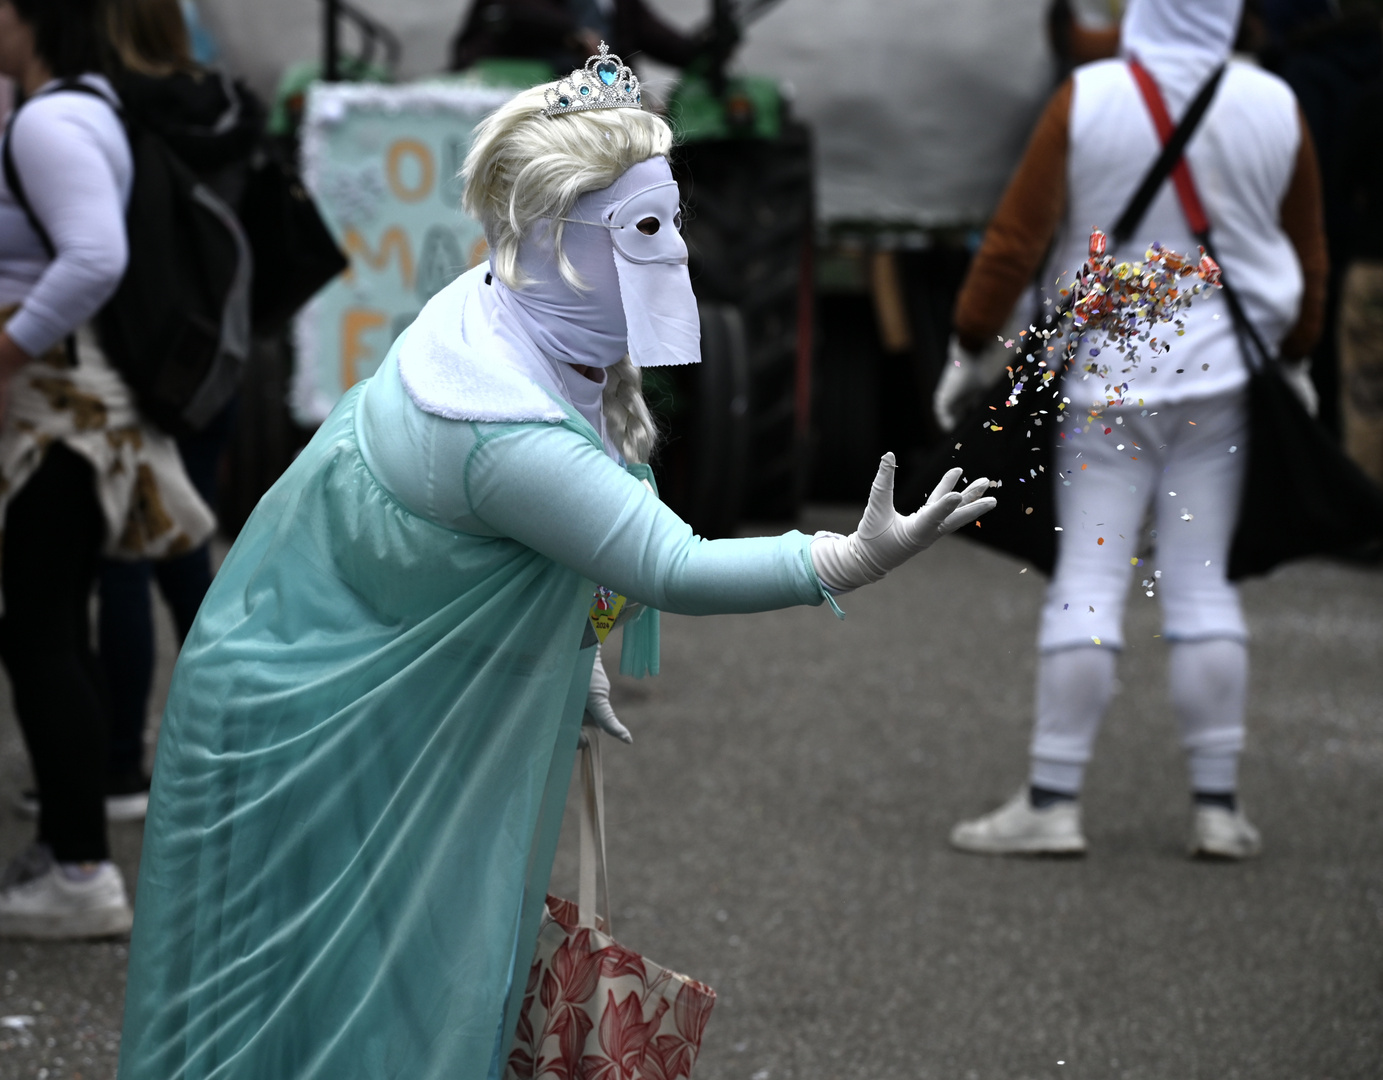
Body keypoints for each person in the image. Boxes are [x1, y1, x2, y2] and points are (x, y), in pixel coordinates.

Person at [116, 48, 996, 1078]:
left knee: (371, 1002)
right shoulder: (502, 427)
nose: (676, 254)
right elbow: (671, 563)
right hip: (315, 729)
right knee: (345, 1018)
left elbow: (494, 547)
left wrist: (567, 645)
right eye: (644, 228)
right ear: (550, 233)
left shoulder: (499, 307)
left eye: (673, 218)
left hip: (321, 696)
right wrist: (847, 558)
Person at [936, 0, 1327, 859]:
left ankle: (1052, 799)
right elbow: (1306, 256)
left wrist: (970, 345)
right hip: (1223, 378)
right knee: (1199, 582)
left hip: (1105, 377)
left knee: (1088, 574)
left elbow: (1012, 242)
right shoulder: (1274, 105)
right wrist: (1295, 356)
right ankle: (1218, 809)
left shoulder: (1089, 96)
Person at [0, 0, 215, 937]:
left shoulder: (48, 121)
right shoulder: (79, 105)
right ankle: (69, 848)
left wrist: (7, 348)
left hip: (61, 422)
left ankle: (80, 870)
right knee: (56, 631)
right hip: (80, 417)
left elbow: (94, 256)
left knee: (40, 633)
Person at [90, 0, 262, 820]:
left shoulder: (107, 113)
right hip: (216, 356)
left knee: (127, 557)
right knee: (188, 554)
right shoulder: (225, 102)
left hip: (137, 360)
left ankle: (121, 761)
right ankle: (235, 740)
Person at [449, 0, 719, 76]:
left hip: (600, 95)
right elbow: (522, 9)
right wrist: (571, 33)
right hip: (527, 88)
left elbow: (652, 34)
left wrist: (701, 49)